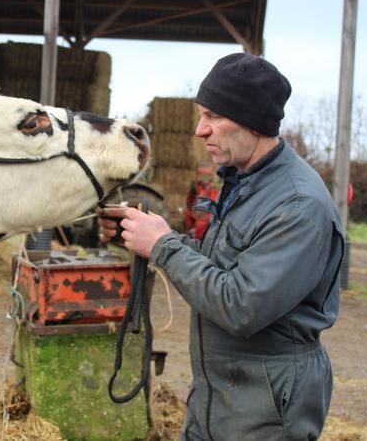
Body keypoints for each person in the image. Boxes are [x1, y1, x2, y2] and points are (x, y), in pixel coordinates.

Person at [99, 53, 345, 441]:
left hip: (266, 405)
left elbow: (240, 305)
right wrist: (142, 234)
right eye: (200, 115)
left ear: (252, 121)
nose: (200, 130)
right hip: (220, 395)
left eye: (213, 116)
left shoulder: (299, 205)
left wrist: (162, 245)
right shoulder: (247, 181)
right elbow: (221, 264)